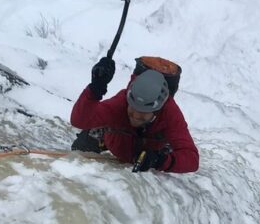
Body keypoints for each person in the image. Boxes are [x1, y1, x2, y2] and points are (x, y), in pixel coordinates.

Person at [70, 56, 199, 173]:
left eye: (143, 112)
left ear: (157, 110)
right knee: (78, 150)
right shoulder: (121, 101)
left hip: (153, 150)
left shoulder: (169, 113)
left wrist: (160, 161)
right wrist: (95, 89)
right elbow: (79, 120)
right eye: (133, 108)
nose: (136, 115)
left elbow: (191, 159)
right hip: (111, 141)